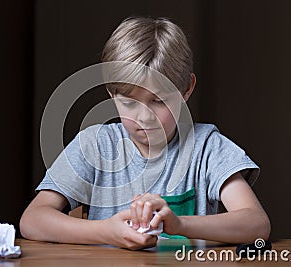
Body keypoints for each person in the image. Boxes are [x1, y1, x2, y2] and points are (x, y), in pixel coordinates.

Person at [20, 17, 270, 250]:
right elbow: (33, 220)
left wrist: (181, 225)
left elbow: (257, 224)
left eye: (159, 101)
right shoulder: (95, 145)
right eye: (129, 102)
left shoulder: (207, 148)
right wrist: (106, 232)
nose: (144, 117)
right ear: (111, 93)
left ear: (186, 90)